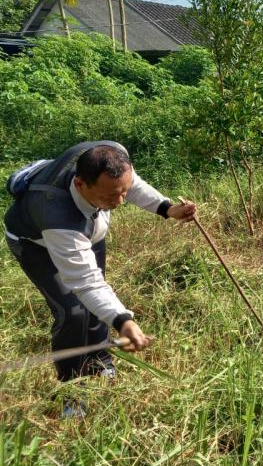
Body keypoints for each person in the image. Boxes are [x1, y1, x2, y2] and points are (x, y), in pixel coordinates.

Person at [3, 141, 196, 390]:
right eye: (109, 196)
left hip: (87, 232)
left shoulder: (112, 154)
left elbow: (131, 184)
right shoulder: (57, 215)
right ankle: (71, 387)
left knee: (96, 305)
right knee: (73, 311)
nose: (119, 202)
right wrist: (124, 321)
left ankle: (100, 361)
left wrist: (167, 208)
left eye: (122, 193)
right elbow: (86, 283)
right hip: (35, 244)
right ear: (80, 184)